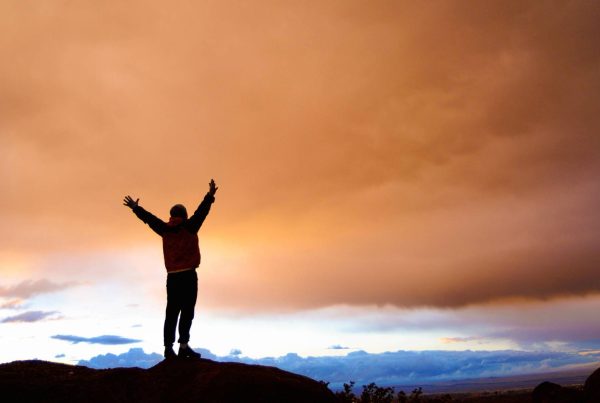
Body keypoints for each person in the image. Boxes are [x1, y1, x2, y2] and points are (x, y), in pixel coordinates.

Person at [123, 179, 218, 359]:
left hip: (172, 278)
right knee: (187, 311)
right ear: (185, 215)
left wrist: (135, 208)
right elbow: (202, 211)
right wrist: (210, 195)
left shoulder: (164, 229)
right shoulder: (191, 226)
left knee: (172, 312)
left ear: (172, 215)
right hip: (189, 275)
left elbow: (149, 219)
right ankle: (183, 346)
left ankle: (168, 348)